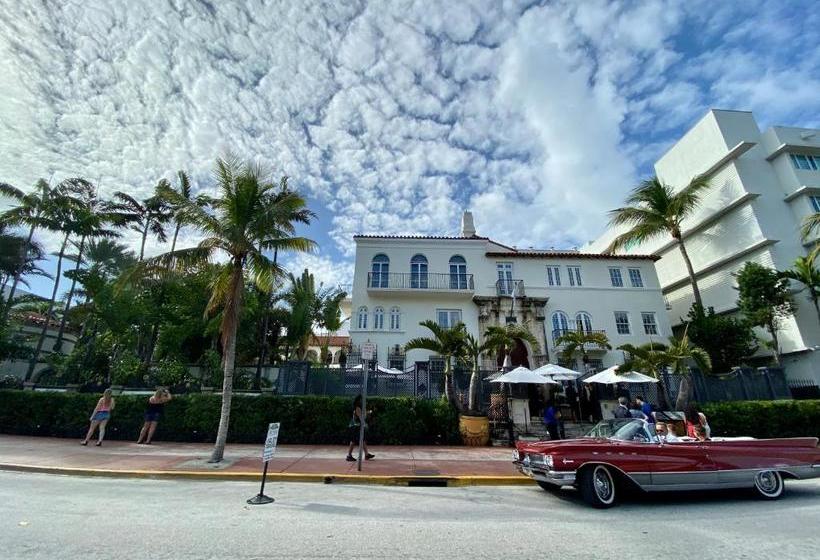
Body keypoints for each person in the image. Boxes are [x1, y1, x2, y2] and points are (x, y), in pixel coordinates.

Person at [346, 395, 375, 462]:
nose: (363, 401)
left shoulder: (360, 408)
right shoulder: (357, 408)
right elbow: (361, 418)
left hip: (357, 426)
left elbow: (363, 416)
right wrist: (365, 424)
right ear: (359, 401)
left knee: (362, 440)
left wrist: (367, 412)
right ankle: (349, 456)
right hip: (355, 426)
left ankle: (366, 454)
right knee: (353, 441)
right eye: (362, 400)